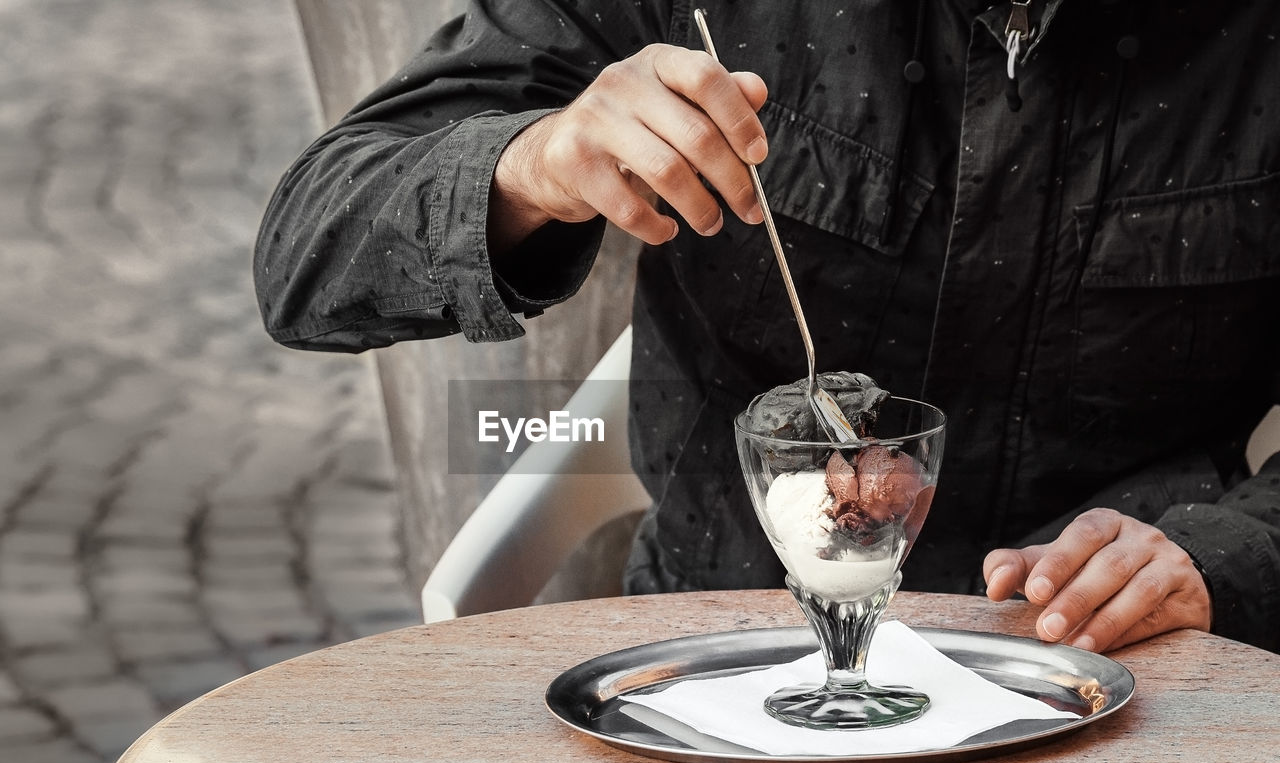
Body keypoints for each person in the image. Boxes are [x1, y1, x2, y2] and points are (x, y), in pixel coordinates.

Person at [255, 0, 1280, 654]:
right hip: (724, 664)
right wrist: (532, 162)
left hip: (1122, 683)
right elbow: (307, 255)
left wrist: (1230, 553)